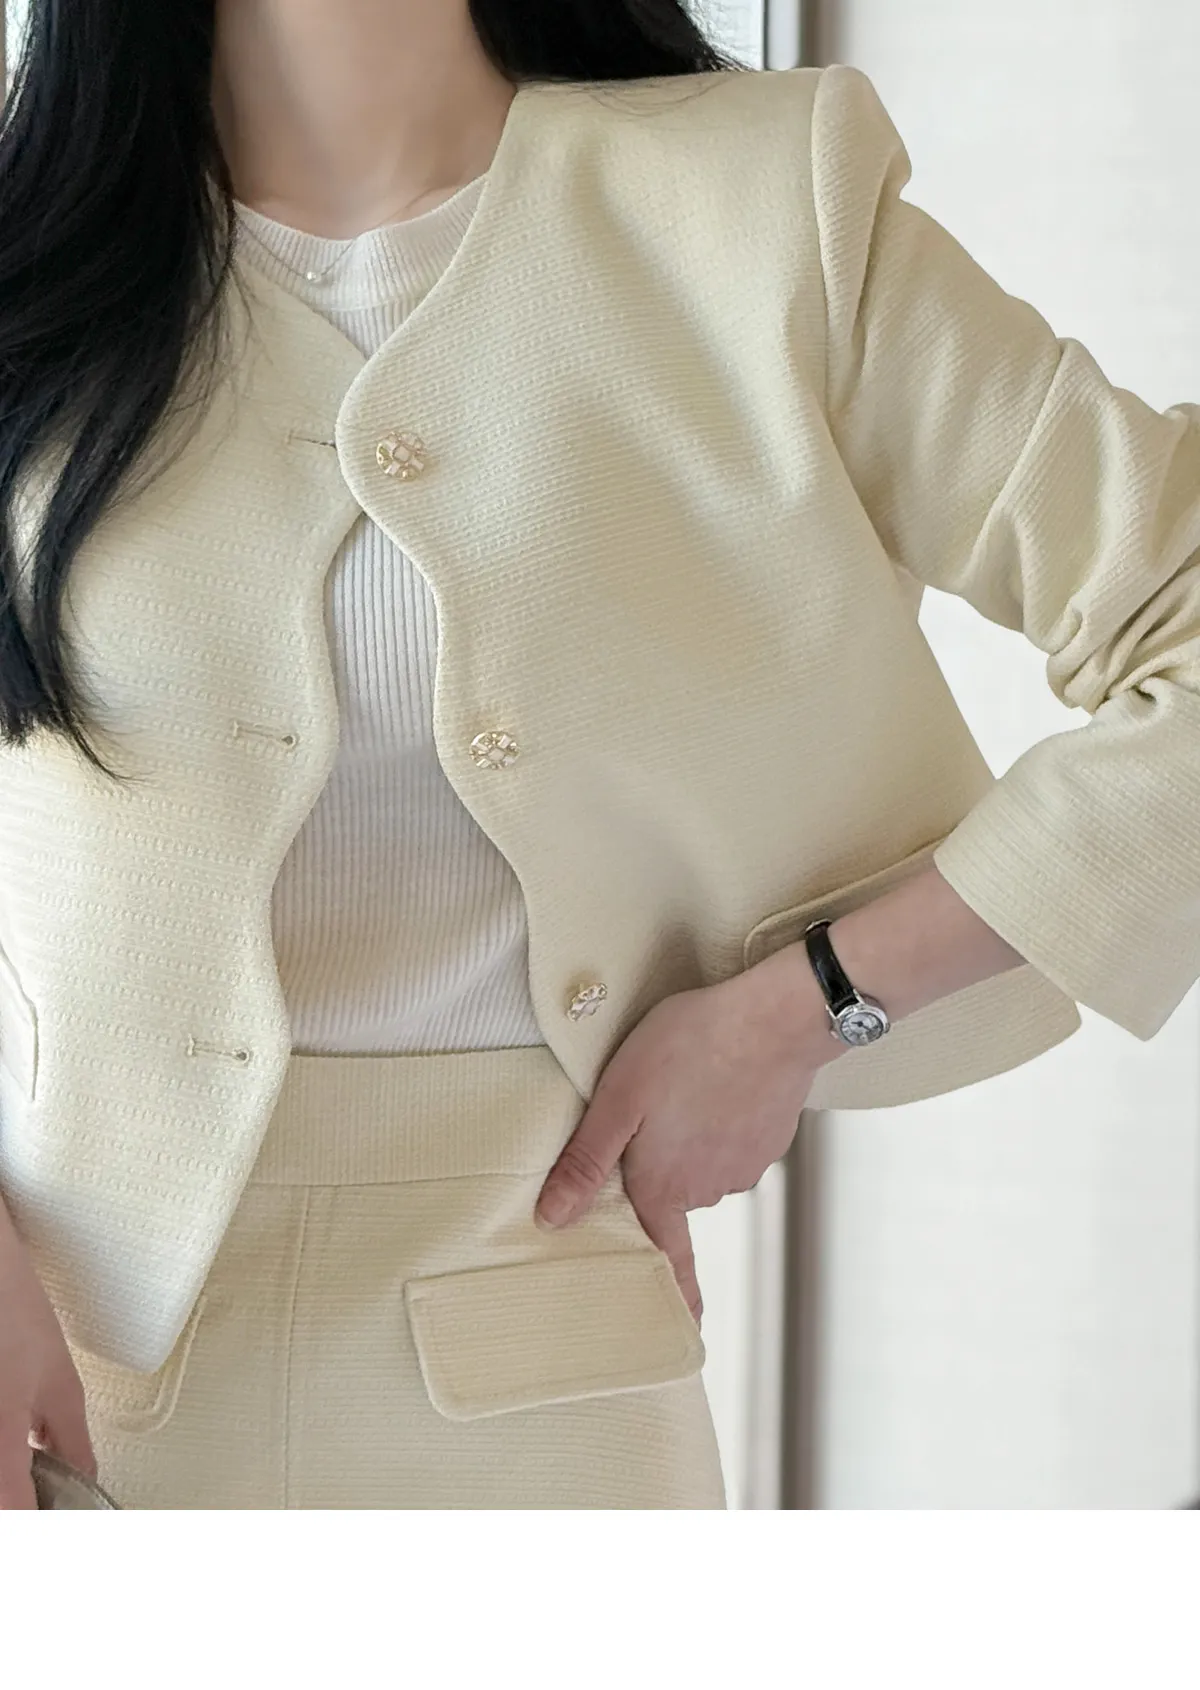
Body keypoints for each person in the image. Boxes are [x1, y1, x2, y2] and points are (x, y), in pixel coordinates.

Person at [1, 0, 1198, 1511]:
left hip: (550, 1399)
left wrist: (810, 1005)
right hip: (54, 1392)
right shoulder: (31, 259)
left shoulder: (766, 214)